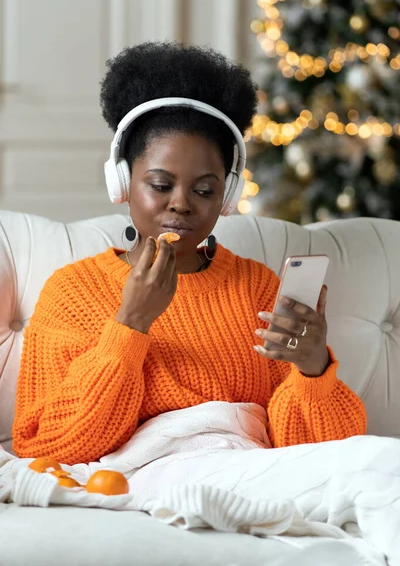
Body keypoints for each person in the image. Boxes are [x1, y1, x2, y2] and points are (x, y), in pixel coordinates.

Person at [12, 42, 366, 465]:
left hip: (249, 478)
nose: (181, 204)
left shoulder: (255, 288)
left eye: (204, 190)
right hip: (145, 487)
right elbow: (48, 446)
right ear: (123, 183)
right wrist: (132, 322)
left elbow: (318, 455)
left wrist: (312, 370)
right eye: (161, 185)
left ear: (228, 196)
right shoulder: (74, 291)